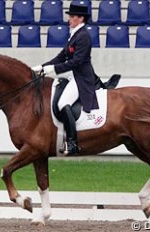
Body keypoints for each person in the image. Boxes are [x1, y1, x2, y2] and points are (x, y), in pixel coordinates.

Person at [32, 4, 99, 155]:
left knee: (63, 103)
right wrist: (42, 67)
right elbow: (61, 57)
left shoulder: (83, 36)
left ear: (81, 18)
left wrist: (53, 70)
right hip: (73, 76)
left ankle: (72, 143)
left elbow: (77, 61)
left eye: (72, 16)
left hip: (82, 78)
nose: (69, 19)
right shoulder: (74, 34)